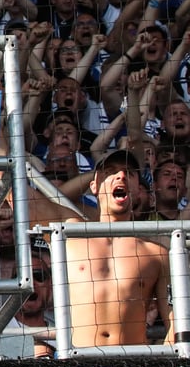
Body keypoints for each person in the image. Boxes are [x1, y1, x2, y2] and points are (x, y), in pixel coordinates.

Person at [30, 149, 172, 349]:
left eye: (129, 173)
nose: (120, 176)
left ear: (138, 189)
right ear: (94, 185)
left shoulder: (156, 253)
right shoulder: (68, 233)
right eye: (110, 172)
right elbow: (16, 192)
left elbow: (177, 324)